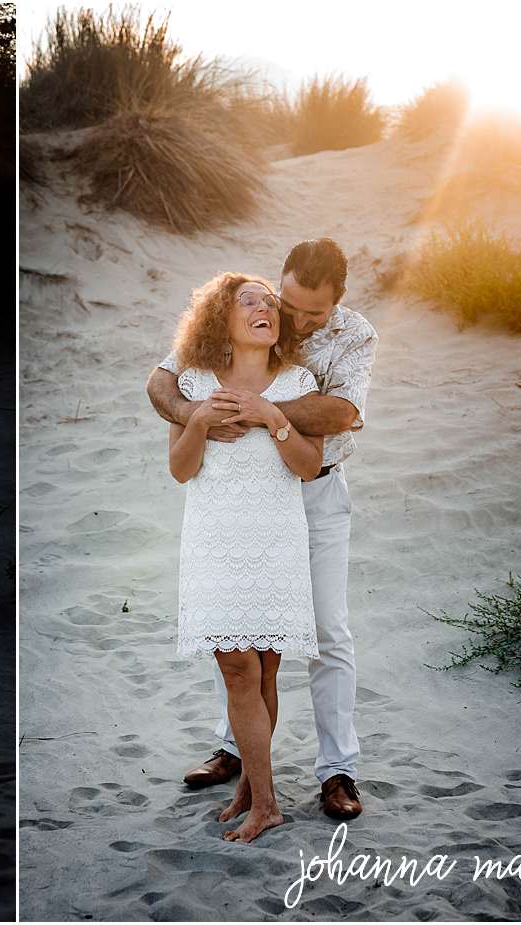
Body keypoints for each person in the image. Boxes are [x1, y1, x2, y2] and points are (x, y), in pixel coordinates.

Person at [146, 238, 375, 821]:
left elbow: (339, 413)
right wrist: (197, 415)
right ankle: (237, 752)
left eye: (311, 313)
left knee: (324, 632)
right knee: (243, 645)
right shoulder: (256, 309)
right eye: (287, 302)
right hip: (232, 502)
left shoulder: (353, 337)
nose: (295, 318)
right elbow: (161, 384)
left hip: (313, 491)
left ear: (338, 302)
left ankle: (336, 770)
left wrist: (260, 413)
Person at [165, 272, 323, 843]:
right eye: (247, 301)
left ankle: (252, 790)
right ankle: (269, 802)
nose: (263, 308)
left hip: (275, 538)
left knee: (267, 671)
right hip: (214, 540)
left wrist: (273, 418)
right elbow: (181, 470)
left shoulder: (301, 380)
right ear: (221, 321)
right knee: (238, 669)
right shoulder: (196, 381)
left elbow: (308, 466)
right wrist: (199, 422)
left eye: (268, 302)